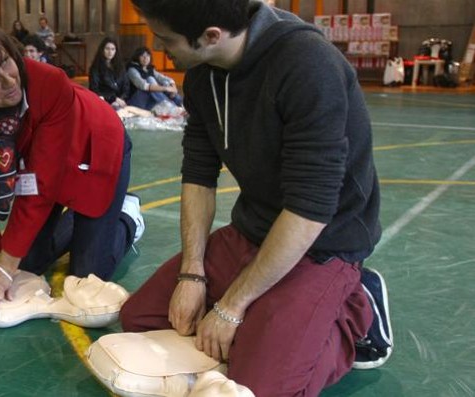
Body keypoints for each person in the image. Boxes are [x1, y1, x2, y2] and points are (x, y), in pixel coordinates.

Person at [117, 1, 390, 396]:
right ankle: (275, 320)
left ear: (211, 36)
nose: (158, 47)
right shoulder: (200, 75)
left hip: (325, 242)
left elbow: (311, 208)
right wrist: (192, 274)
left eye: (165, 39)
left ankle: (356, 309)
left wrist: (231, 306)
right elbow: (198, 173)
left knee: (263, 387)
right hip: (254, 227)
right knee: (140, 318)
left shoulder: (308, 65)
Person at [0, 12, 144, 310]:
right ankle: (87, 214)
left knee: (87, 276)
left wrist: (3, 269)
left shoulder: (49, 82)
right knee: (26, 263)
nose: (9, 79)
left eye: (5, 62)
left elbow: (41, 184)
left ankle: (126, 215)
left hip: (93, 147)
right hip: (40, 169)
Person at [125, 46, 183, 111]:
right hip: (136, 103)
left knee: (166, 83)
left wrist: (173, 88)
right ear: (137, 57)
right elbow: (143, 86)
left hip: (148, 102)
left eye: (147, 56)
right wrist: (166, 89)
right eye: (142, 56)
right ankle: (172, 107)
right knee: (150, 80)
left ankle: (181, 105)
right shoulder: (132, 70)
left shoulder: (149, 69)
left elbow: (165, 79)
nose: (145, 58)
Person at [88, 38, 129, 108]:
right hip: (104, 100)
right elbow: (94, 89)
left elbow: (126, 86)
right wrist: (114, 99)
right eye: (107, 49)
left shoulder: (120, 66)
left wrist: (122, 99)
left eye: (113, 49)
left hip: (121, 101)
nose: (110, 52)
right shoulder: (95, 68)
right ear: (102, 50)